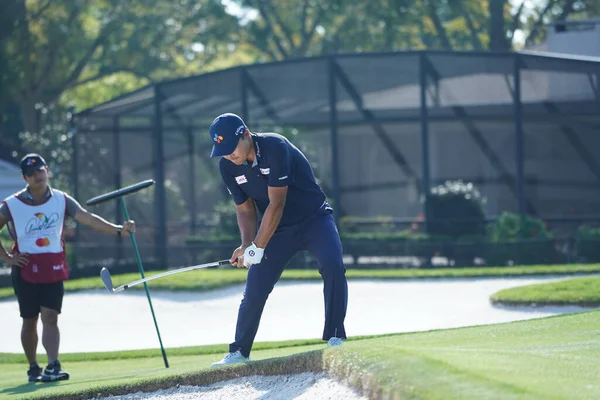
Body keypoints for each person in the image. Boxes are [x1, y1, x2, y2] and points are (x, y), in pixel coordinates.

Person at [207, 113, 348, 367]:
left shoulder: (275, 147)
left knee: (333, 264)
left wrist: (258, 247)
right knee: (255, 287)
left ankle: (335, 335)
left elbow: (277, 203)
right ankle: (239, 351)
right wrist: (247, 244)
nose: (229, 155)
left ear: (246, 135)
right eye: (223, 151)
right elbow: (244, 209)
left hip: (314, 218)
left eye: (231, 148)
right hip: (278, 231)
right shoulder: (227, 166)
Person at [0, 153, 136, 383]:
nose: (38, 176)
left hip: (53, 265)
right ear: (25, 177)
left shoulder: (62, 199)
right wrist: (7, 258)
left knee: (51, 316)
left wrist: (118, 230)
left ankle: (53, 365)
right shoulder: (11, 204)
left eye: (40, 171)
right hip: (25, 268)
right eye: (32, 174)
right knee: (30, 319)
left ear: (47, 171)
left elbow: (88, 218)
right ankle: (33, 366)